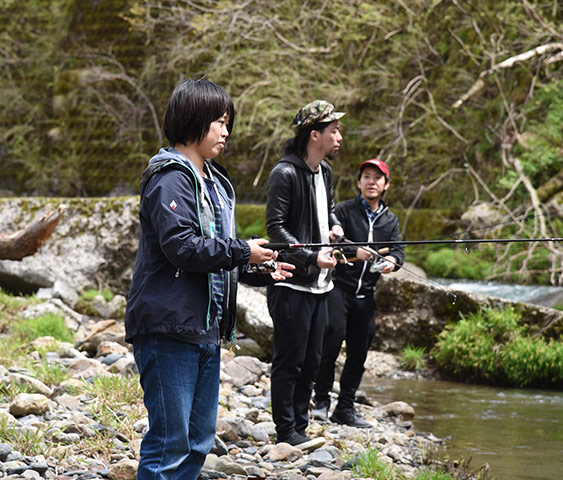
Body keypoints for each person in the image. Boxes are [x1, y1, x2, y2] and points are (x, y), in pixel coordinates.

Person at [124, 78, 293, 480]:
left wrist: (257, 267)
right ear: (193, 119)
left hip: (204, 330)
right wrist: (241, 250)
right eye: (219, 121)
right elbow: (182, 247)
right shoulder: (170, 178)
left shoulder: (216, 183)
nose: (226, 131)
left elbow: (219, 256)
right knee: (169, 442)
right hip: (167, 329)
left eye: (227, 122)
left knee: (199, 442)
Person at [265, 100, 346, 446]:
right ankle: (285, 431)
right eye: (334, 131)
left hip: (320, 287)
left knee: (312, 362)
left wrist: (336, 227)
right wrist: (313, 258)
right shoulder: (284, 174)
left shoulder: (324, 172)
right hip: (292, 285)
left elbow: (327, 212)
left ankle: (300, 427)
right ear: (315, 135)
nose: (339, 137)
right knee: (289, 362)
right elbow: (276, 231)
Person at [311, 158, 404, 427]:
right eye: (366, 176)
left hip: (367, 295)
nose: (371, 181)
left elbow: (398, 251)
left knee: (359, 354)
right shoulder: (343, 211)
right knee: (330, 344)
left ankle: (345, 408)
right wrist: (355, 252)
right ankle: (321, 402)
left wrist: (392, 263)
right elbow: (330, 245)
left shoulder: (390, 220)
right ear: (359, 182)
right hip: (339, 288)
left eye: (377, 177)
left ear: (386, 184)